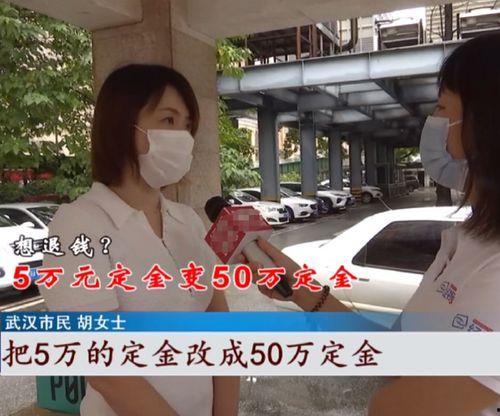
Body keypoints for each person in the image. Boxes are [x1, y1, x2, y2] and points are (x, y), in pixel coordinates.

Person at [248, 33, 500, 415]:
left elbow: (396, 406)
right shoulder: (466, 242)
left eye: (443, 107)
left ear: (485, 124)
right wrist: (303, 290)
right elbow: (393, 355)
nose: (435, 124)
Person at [40, 64, 239, 416]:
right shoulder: (77, 225)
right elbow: (106, 369)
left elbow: (220, 324)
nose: (184, 137)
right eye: (168, 120)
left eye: (187, 125)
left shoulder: (188, 221)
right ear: (122, 124)